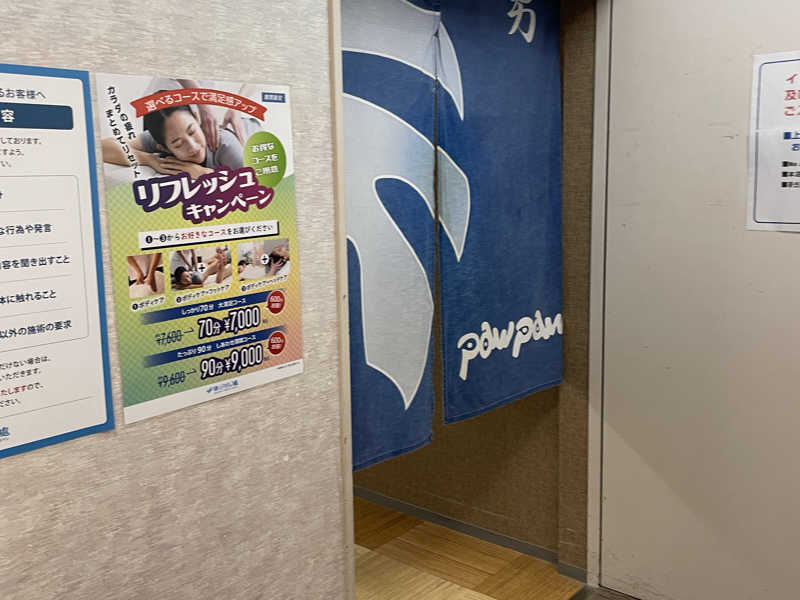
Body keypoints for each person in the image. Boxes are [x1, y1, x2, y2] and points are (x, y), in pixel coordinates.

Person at [101, 103, 243, 179]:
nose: (193, 147)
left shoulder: (226, 144)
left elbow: (254, 185)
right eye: (178, 144)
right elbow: (102, 147)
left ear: (197, 118)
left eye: (192, 131)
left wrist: (204, 173)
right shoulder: (166, 134)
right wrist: (151, 160)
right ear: (163, 148)